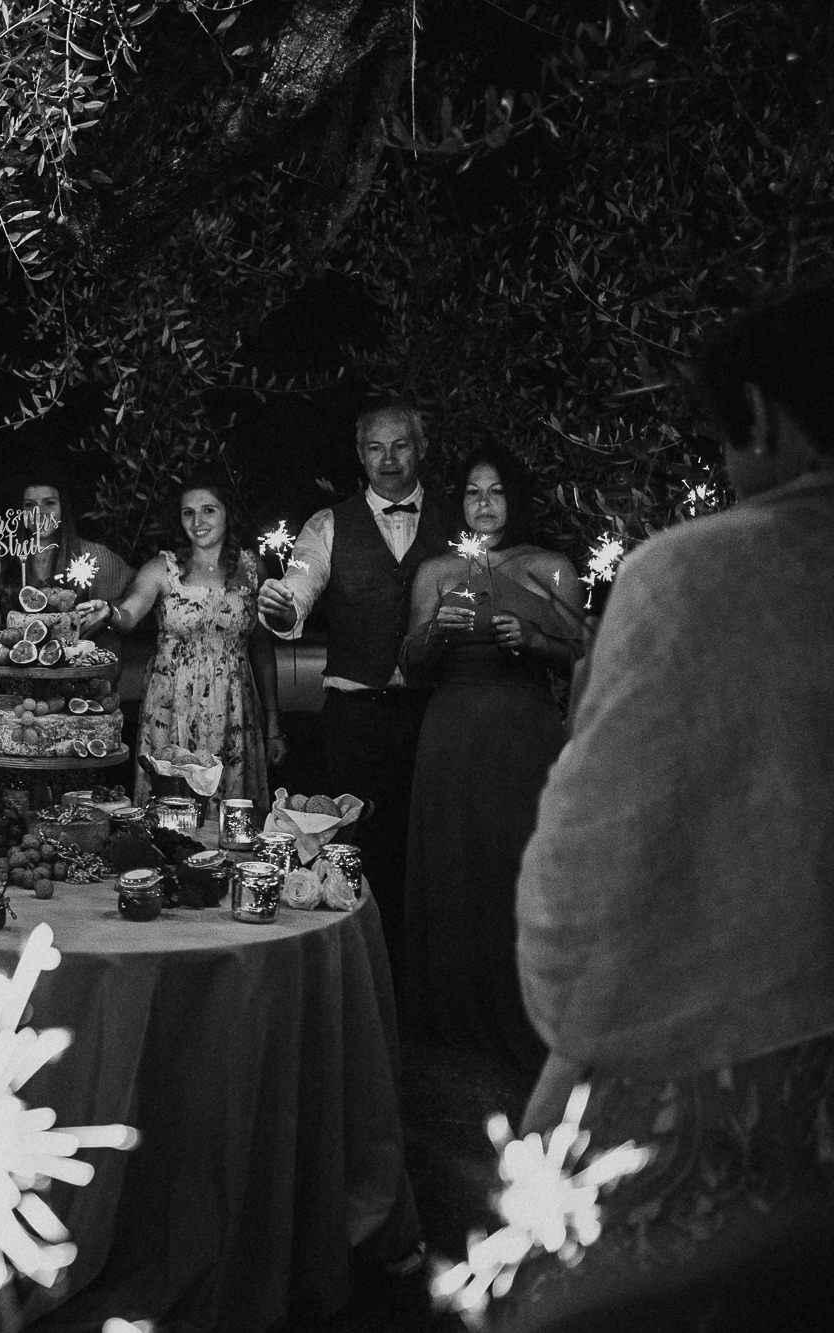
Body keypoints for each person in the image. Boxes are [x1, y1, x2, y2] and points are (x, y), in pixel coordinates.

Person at [494, 282, 834, 1331]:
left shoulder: (690, 579)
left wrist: (573, 1018)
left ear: (762, 415)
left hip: (721, 1093)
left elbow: (584, 875)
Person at [397, 446, 582, 1073]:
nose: (484, 504)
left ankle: (528, 1005)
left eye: (496, 491)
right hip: (451, 735)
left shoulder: (550, 567)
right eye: (474, 492)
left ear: (514, 498)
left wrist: (531, 640)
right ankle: (451, 1017)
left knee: (517, 860)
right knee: (454, 866)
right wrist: (435, 633)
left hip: (523, 732)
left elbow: (581, 647)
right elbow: (412, 665)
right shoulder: (436, 571)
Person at [257, 402, 455, 970]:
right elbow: (298, 587)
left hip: (433, 711)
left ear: (421, 449)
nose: (389, 460)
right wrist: (279, 606)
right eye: (375, 447)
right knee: (352, 854)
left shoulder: (456, 521)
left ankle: (424, 983)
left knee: (427, 849)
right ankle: (357, 976)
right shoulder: (328, 524)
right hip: (354, 715)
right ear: (359, 455)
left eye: (401, 446)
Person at [81, 470, 285, 804]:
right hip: (171, 706)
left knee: (230, 814)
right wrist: (109, 611)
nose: (198, 521)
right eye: (188, 512)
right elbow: (129, 614)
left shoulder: (252, 568)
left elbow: (262, 648)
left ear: (227, 514)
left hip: (234, 708)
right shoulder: (162, 568)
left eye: (209, 510)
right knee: (172, 813)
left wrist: (274, 725)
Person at [0, 475, 134, 649]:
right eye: (29, 505)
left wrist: (107, 616)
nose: (38, 512)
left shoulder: (93, 556)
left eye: (49, 503)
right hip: (10, 674)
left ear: (63, 508)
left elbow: (136, 590)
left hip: (75, 674)